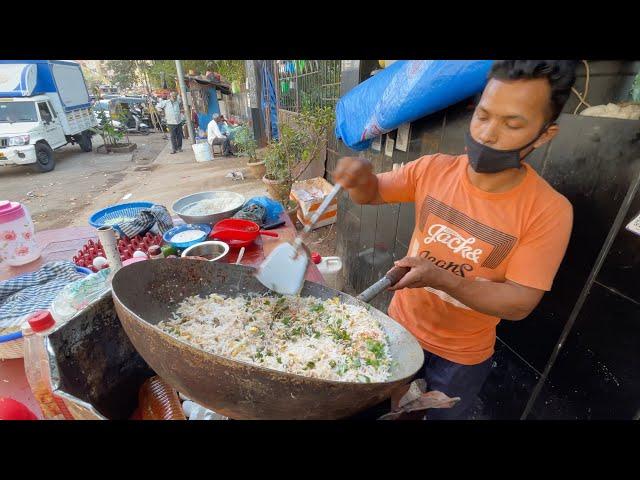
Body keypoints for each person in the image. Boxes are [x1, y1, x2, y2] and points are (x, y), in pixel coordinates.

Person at [333, 60, 577, 420]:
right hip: (398, 332)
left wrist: (440, 277)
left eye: (512, 124)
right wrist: (359, 179)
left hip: (460, 358)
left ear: (544, 135)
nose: (487, 134)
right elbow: (371, 195)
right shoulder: (434, 169)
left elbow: (520, 302)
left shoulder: (549, 210)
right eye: (483, 116)